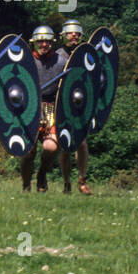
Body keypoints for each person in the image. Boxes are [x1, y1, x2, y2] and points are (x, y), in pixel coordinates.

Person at [21, 25, 67, 192]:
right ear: (34, 42)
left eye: (47, 41)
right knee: (28, 151)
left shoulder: (61, 61)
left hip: (51, 107)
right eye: (40, 41)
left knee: (51, 147)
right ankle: (26, 185)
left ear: (52, 42)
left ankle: (41, 173)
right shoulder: (25, 61)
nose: (44, 44)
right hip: (29, 108)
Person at [58, 18, 93, 195]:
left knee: (82, 143)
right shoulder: (58, 56)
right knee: (65, 146)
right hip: (62, 105)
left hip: (81, 105)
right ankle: (66, 183)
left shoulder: (86, 55)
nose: (74, 35)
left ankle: (82, 179)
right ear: (63, 35)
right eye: (70, 32)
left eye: (77, 32)